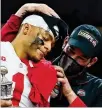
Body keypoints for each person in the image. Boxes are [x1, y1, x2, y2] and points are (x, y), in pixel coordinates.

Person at [1, 3, 68, 107]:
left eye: (52, 44)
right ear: (26, 29)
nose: (49, 47)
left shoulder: (46, 71)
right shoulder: (3, 50)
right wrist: (26, 8)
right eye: (45, 38)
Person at [50, 24, 102, 107]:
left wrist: (69, 93)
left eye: (81, 58)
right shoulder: (40, 66)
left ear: (92, 62)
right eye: (71, 50)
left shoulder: (97, 88)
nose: (72, 58)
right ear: (65, 42)